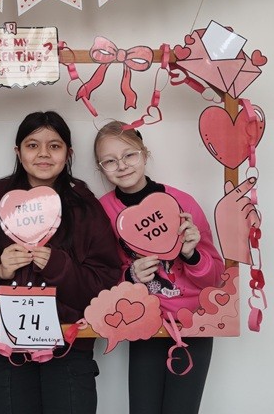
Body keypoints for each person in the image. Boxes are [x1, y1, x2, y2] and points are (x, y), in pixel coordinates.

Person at [0, 111, 122, 414]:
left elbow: (107, 280)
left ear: (69, 154)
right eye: (32, 145)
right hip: (7, 348)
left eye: (54, 146)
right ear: (18, 152)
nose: (43, 154)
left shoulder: (85, 205)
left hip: (69, 346)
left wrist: (61, 269)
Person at [93, 121, 225, 414]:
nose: (122, 166)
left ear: (144, 153)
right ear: (100, 168)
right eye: (110, 161)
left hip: (193, 324)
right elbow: (98, 276)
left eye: (129, 155)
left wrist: (191, 255)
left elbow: (215, 278)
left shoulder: (182, 202)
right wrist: (130, 277)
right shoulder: (101, 212)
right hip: (144, 323)